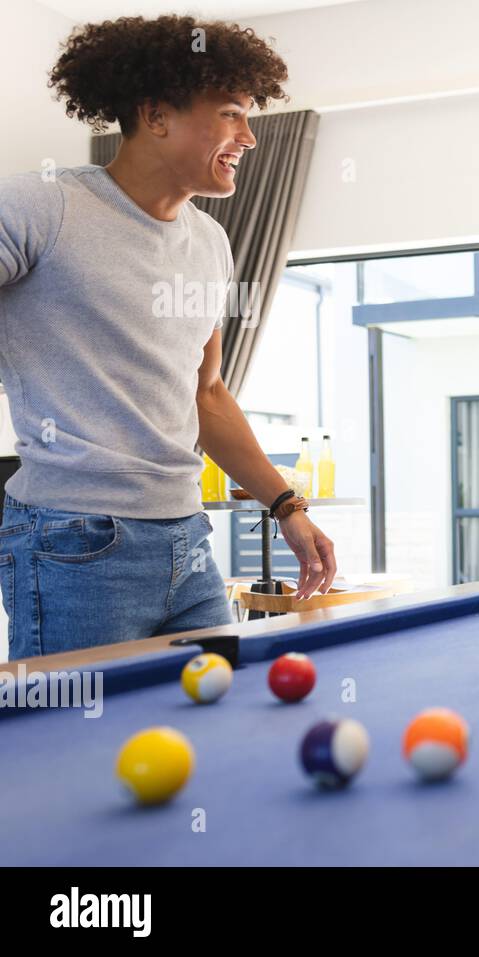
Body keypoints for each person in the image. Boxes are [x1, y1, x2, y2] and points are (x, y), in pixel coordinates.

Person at [0, 15, 336, 659]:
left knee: (216, 726)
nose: (249, 137)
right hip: (74, 541)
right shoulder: (43, 208)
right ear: (156, 116)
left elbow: (206, 394)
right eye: (233, 114)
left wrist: (287, 506)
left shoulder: (209, 241)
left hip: (187, 541)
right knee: (76, 745)